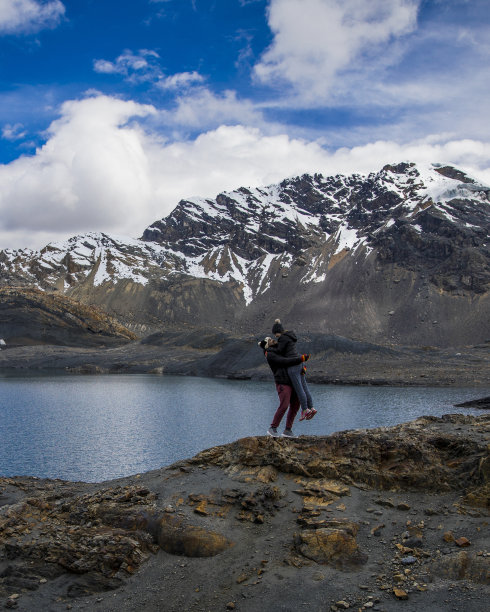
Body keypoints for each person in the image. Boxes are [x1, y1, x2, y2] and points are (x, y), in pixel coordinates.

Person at [258, 337, 309, 438]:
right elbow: (284, 361)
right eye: (270, 340)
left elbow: (292, 358)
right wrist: (301, 359)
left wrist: (302, 367)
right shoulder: (270, 354)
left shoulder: (280, 350)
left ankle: (287, 430)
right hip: (282, 382)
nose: (272, 340)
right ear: (268, 345)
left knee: (295, 404)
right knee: (284, 405)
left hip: (292, 381)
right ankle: (272, 428)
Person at [270, 319, 317, 422]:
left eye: (276, 335)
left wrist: (270, 348)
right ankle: (311, 407)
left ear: (278, 332)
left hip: (293, 365)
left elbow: (279, 351)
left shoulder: (282, 338)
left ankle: (305, 409)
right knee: (305, 387)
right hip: (300, 364)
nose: (276, 337)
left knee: (299, 388)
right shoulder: (290, 337)